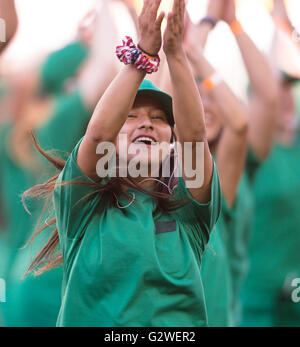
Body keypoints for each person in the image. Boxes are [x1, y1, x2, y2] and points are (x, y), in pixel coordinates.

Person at [25, 0, 221, 327]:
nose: (146, 123)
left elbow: (194, 136)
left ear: (172, 144)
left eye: (159, 119)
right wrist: (143, 54)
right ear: (111, 146)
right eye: (130, 117)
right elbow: (99, 132)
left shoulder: (189, 212)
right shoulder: (84, 207)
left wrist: (175, 53)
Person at [0, 0, 119, 327]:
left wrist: (79, 42)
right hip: (54, 279)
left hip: (21, 272)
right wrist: (109, 7)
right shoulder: (57, 124)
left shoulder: (16, 127)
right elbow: (102, 68)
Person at [184, 0, 278, 326]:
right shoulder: (173, 163)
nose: (205, 107)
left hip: (223, 307)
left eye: (213, 98)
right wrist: (206, 23)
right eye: (196, 100)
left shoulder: (239, 163)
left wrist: (232, 24)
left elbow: (268, 97)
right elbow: (173, 88)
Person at [241, 0, 300, 327]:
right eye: (276, 91)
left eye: (289, 88)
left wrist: (286, 28)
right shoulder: (250, 152)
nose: (285, 97)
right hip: (255, 304)